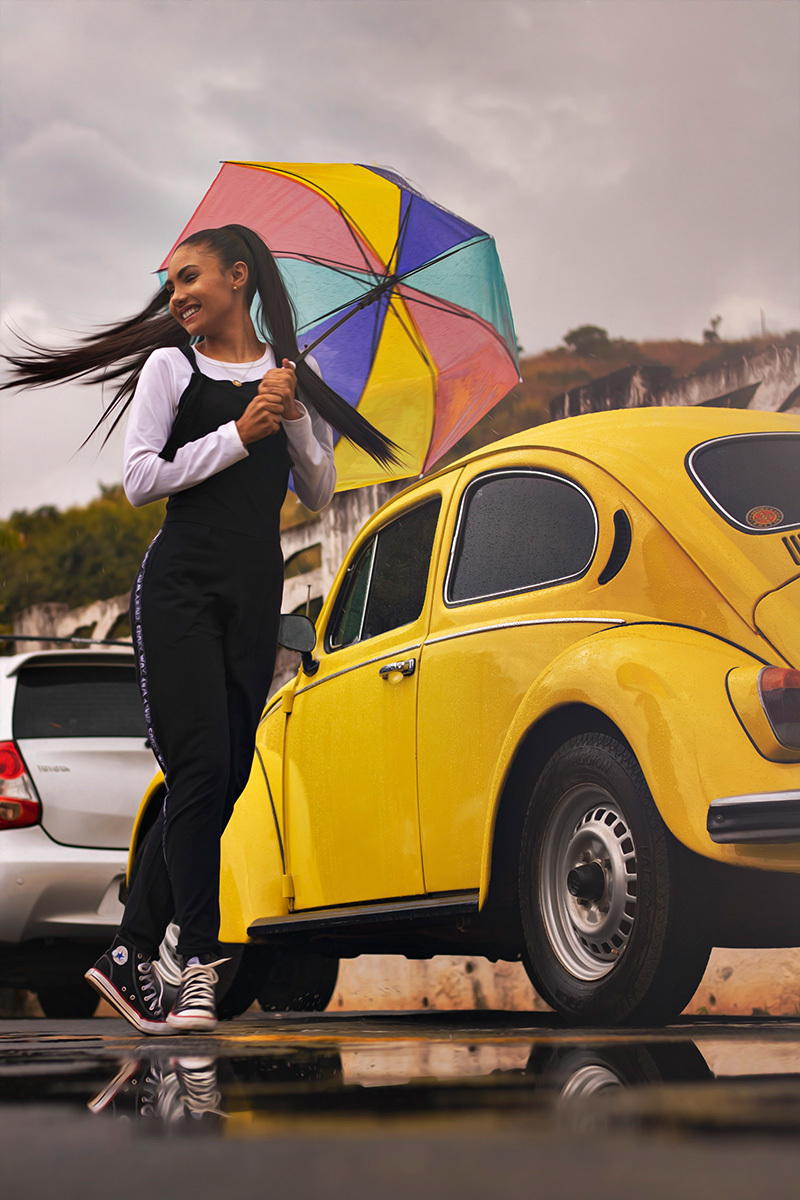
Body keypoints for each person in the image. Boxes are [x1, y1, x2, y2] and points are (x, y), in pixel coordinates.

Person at [3, 224, 397, 1034]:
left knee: (222, 778)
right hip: (179, 589)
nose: (177, 294)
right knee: (199, 766)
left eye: (190, 277)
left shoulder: (292, 377)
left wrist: (287, 417)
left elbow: (319, 491)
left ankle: (129, 950)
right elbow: (142, 478)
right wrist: (237, 433)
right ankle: (196, 970)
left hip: (252, 597)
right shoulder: (169, 367)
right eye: (172, 283)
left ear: (238, 278)